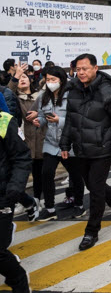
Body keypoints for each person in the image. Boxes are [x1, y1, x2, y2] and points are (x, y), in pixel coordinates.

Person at [59, 53, 111, 251]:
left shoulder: (108, 91)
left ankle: (91, 231)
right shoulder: (72, 89)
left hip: (102, 147)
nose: (81, 72)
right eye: (78, 69)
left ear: (95, 68)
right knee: (92, 185)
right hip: (80, 148)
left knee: (96, 190)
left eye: (85, 68)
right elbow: (70, 120)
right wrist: (64, 144)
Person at [34, 66, 86, 221]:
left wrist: (59, 120)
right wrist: (39, 121)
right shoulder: (44, 96)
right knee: (47, 173)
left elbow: (77, 120)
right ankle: (50, 208)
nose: (50, 83)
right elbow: (43, 116)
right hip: (51, 142)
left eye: (53, 80)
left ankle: (79, 205)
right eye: (48, 80)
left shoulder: (71, 96)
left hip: (69, 143)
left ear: (61, 80)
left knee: (75, 175)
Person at [0, 110, 32, 293]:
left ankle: (18, 279)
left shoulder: (4, 121)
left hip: (3, 195)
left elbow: (21, 157)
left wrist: (15, 187)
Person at [8, 62, 46, 219]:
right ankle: (21, 201)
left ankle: (37, 200)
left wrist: (39, 115)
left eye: (25, 76)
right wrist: (15, 76)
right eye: (19, 78)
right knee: (19, 175)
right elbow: (7, 92)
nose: (22, 79)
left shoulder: (41, 97)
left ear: (31, 80)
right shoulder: (15, 98)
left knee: (39, 174)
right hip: (23, 143)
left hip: (41, 140)